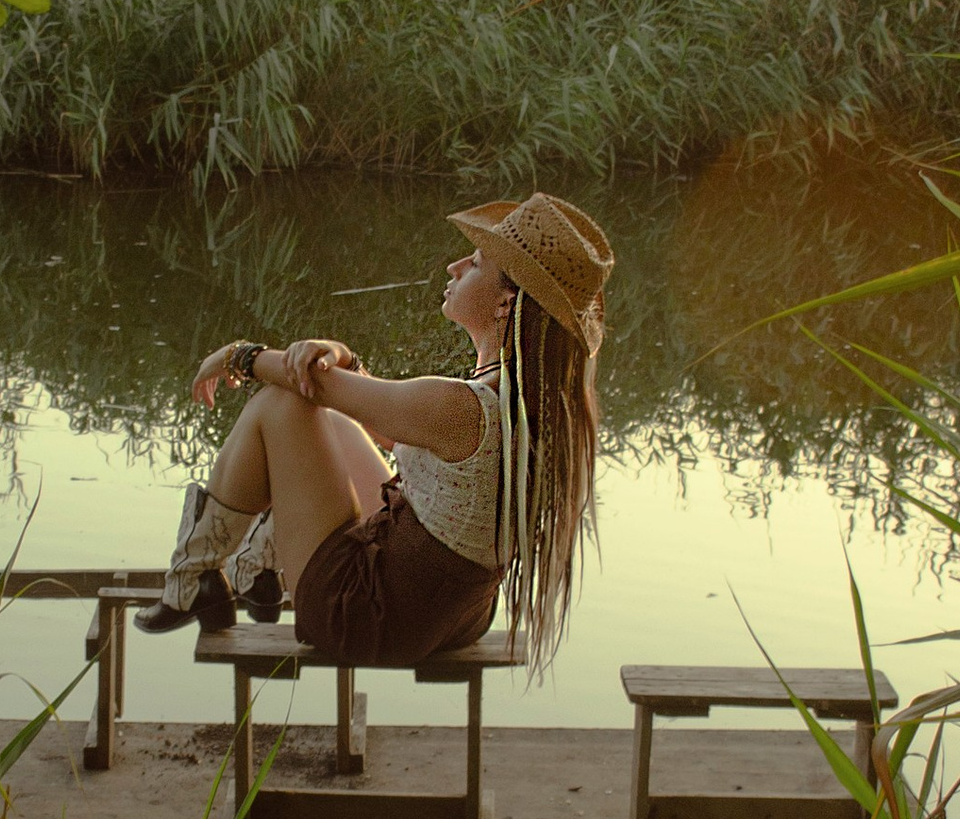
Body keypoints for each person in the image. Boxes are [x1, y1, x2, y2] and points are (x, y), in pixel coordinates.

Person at [137, 192, 612, 674]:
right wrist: (340, 356)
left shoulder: (460, 407)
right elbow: (378, 419)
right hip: (453, 615)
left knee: (280, 403)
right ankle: (255, 571)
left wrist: (236, 355)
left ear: (506, 303)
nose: (454, 266)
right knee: (328, 415)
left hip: (368, 618)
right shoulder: (526, 399)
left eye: (476, 262)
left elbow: (314, 386)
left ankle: (195, 576)